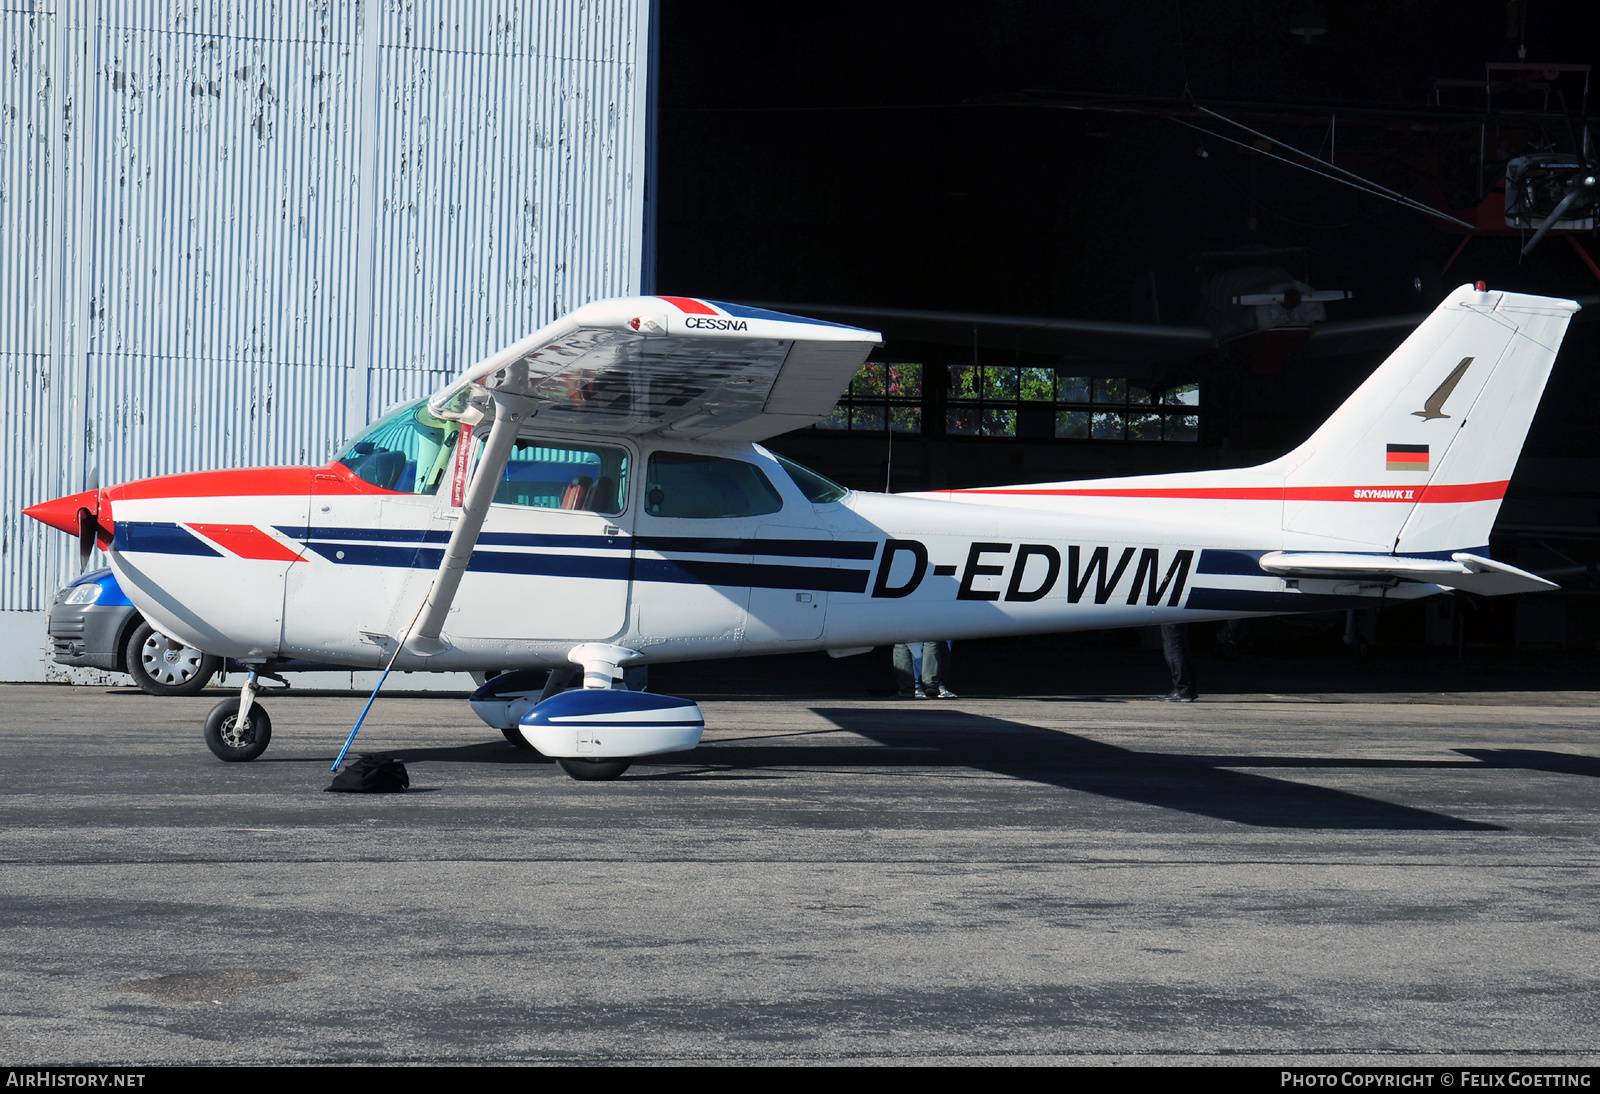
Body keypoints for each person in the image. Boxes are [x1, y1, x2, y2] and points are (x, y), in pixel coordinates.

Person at [1160, 622, 1197, 702]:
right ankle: (1187, 689)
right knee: (1180, 644)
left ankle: (1182, 689)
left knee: (1172, 646)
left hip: (1170, 613)